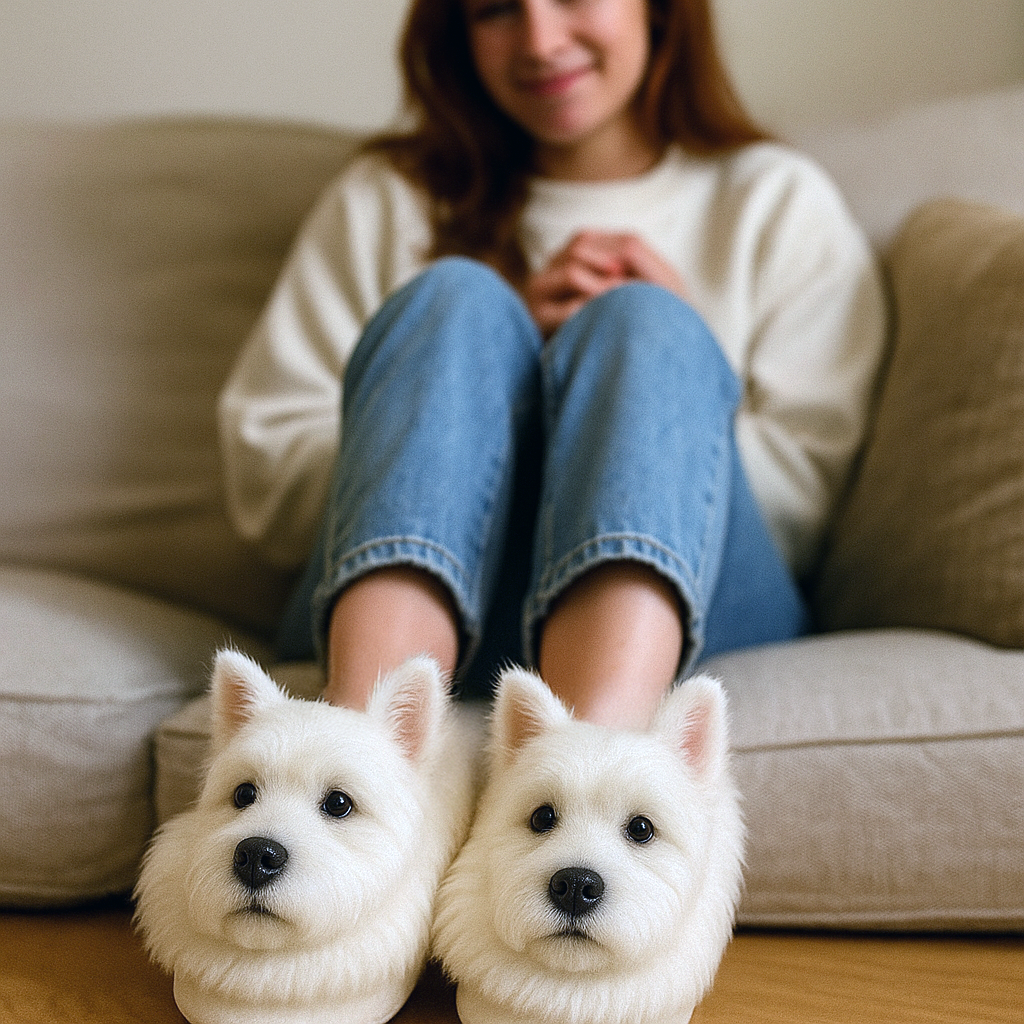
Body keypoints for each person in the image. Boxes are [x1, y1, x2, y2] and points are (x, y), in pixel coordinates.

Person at [219, 0, 886, 729]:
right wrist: (485, 396)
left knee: (646, 325)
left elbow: (806, 506)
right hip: (430, 614)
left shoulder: (774, 202)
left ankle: (588, 772)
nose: (539, 41)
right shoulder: (390, 198)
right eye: (495, 9)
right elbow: (269, 480)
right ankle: (365, 756)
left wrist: (674, 381)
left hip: (693, 612)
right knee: (457, 296)